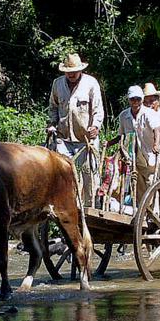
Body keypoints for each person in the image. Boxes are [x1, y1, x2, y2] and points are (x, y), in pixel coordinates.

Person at [47, 53, 104, 206]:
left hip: (85, 139)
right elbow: (53, 107)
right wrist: (52, 124)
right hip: (63, 139)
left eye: (74, 71)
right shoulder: (57, 84)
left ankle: (91, 208)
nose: (71, 74)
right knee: (63, 176)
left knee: (89, 176)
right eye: (68, 71)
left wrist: (96, 126)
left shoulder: (91, 83)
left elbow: (98, 109)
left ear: (80, 70)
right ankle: (68, 208)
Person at [117, 85, 160, 206]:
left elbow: (157, 129)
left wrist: (156, 144)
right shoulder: (124, 116)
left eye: (138, 99)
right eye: (132, 99)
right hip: (134, 155)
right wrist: (110, 144)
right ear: (129, 100)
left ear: (141, 99)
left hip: (149, 153)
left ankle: (152, 210)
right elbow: (121, 135)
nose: (135, 102)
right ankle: (143, 210)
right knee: (139, 183)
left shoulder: (149, 113)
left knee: (151, 182)